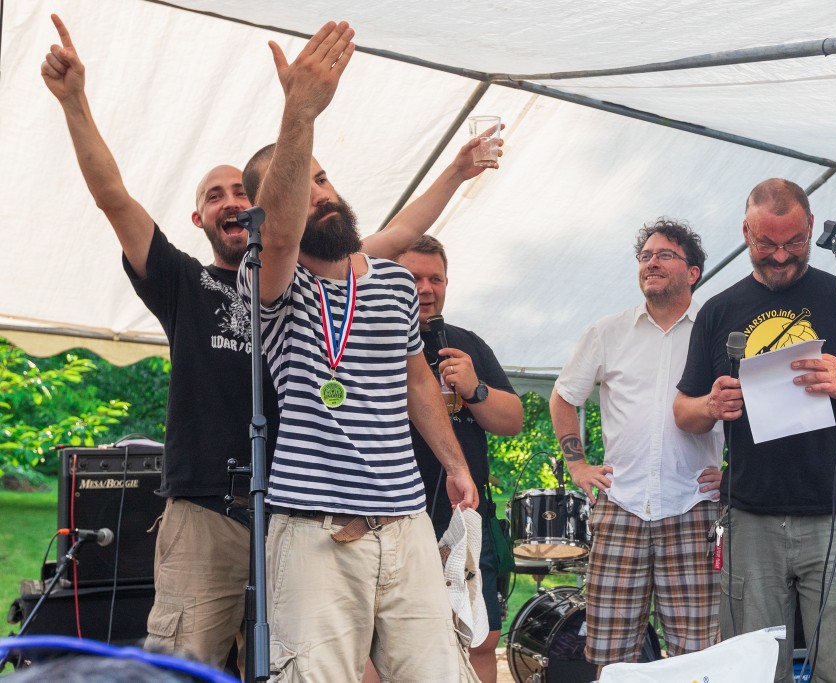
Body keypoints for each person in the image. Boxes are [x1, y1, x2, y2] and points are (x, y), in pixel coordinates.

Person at [42, 14, 494, 673]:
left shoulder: (335, 273)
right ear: (204, 216)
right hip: (211, 505)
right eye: (216, 195)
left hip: (297, 501)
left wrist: (455, 171)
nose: (233, 202)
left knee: (288, 661)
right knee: (190, 661)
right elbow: (114, 198)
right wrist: (75, 102)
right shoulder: (188, 280)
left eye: (243, 191)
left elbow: (391, 241)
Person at [235, 21, 480, 681]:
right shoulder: (271, 281)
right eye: (301, 183)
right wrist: (300, 112)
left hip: (406, 523)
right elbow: (280, 234)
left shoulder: (394, 280)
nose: (319, 192)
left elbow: (417, 381)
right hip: (314, 528)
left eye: (324, 178)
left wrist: (454, 462)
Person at [674, 178, 836, 683]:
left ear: (811, 227)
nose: (781, 256)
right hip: (750, 518)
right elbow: (683, 411)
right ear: (745, 233)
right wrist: (711, 404)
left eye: (794, 242)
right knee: (753, 670)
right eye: (766, 244)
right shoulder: (718, 310)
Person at [550, 219, 724, 671]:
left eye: (665, 255)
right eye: (645, 256)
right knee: (611, 658)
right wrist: (577, 466)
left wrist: (736, 470)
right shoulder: (607, 331)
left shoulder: (717, 333)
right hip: (621, 505)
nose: (651, 263)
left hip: (694, 506)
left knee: (696, 656)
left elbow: (748, 403)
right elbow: (563, 398)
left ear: (693, 272)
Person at [391, 235, 523, 683]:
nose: (426, 289)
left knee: (479, 637)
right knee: (390, 641)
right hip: (394, 515)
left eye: (436, 279)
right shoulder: (371, 339)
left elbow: (513, 419)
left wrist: (475, 389)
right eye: (413, 278)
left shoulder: (466, 344)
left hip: (465, 517)